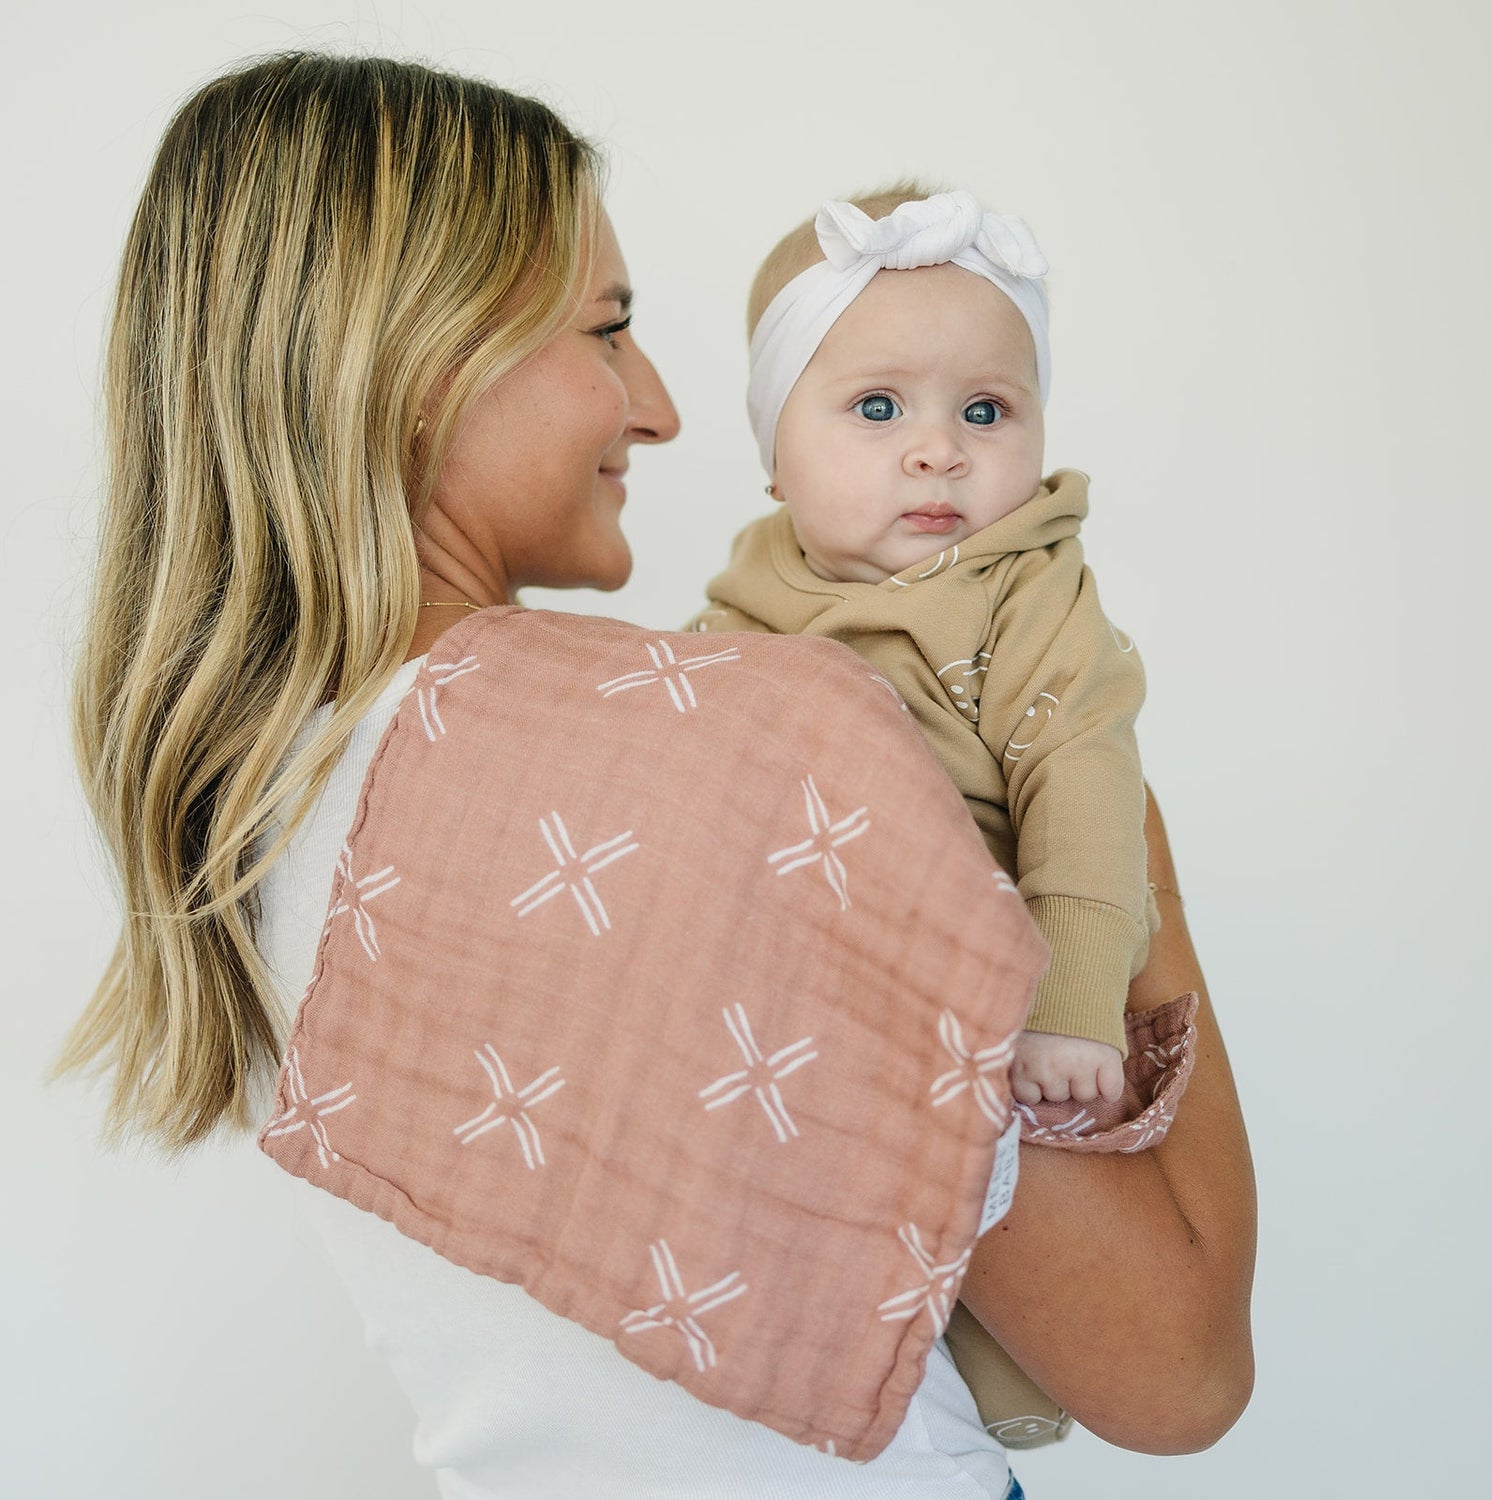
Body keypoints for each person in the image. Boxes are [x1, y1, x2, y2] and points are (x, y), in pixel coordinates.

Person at [57, 52, 1255, 1498]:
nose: (665, 409)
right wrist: (1103, 793)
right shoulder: (756, 751)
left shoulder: (250, 811)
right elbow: (1179, 1370)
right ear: (425, 359)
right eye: (609, 331)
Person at [692, 187, 1149, 1112]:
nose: (939, 450)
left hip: (991, 994)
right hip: (792, 983)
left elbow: (1081, 777)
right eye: (878, 407)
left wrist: (1068, 1000)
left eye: (985, 411)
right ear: (776, 454)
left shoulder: (1027, 587)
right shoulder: (748, 588)